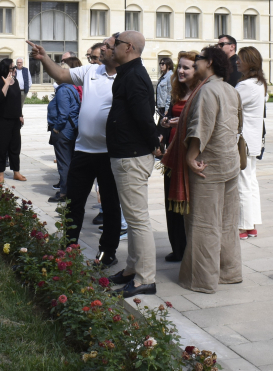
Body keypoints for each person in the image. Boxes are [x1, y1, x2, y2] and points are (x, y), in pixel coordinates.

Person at [28, 39, 123, 270]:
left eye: (98, 54)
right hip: (83, 149)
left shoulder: (124, 77)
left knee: (110, 206)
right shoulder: (91, 71)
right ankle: (68, 247)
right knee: (74, 202)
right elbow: (61, 75)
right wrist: (44, 58)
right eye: (93, 56)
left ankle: (107, 253)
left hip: (110, 153)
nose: (95, 58)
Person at [162, 43, 242, 293]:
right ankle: (229, 273)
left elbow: (201, 127)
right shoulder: (229, 89)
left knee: (203, 224)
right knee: (227, 222)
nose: (196, 61)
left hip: (207, 166)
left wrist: (190, 156)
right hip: (228, 163)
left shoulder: (207, 91)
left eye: (200, 58)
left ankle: (201, 279)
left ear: (209, 62)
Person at [103, 31, 160, 298]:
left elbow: (143, 117)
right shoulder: (129, 73)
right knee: (135, 216)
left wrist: (154, 144)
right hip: (125, 153)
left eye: (113, 45)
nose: (109, 49)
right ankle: (132, 269)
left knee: (137, 220)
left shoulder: (135, 76)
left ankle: (145, 278)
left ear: (127, 47)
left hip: (131, 155)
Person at [159, 50, 199, 262]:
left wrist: (182, 121)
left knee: (187, 204)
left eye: (186, 67)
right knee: (170, 201)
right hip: (172, 153)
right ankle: (177, 247)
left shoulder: (201, 92)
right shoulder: (177, 90)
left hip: (189, 152)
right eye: (180, 66)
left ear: (197, 70)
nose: (181, 71)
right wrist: (166, 123)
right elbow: (169, 115)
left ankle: (189, 248)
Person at [236, 46, 267, 241]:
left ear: (250, 62)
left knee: (243, 183)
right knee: (250, 182)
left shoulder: (246, 86)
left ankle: (243, 225)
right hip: (253, 140)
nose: (237, 62)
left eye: (240, 59)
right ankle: (252, 224)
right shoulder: (259, 83)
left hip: (243, 141)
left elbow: (229, 104)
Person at [46, 56, 82, 203]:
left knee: (64, 163)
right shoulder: (72, 88)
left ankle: (64, 193)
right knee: (69, 162)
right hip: (71, 129)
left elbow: (63, 113)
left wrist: (56, 129)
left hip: (63, 131)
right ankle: (70, 190)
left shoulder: (63, 90)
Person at [0, 58, 26, 184]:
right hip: (1, 120)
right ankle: (0, 174)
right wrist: (6, 83)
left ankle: (16, 172)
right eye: (12, 68)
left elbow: (17, 100)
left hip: (14, 119)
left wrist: (20, 115)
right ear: (6, 69)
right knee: (2, 147)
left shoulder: (15, 81)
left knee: (15, 146)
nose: (15, 70)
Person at [155, 57, 174, 148]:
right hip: (161, 108)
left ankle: (163, 153)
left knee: (162, 131)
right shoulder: (163, 77)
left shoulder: (170, 76)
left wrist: (167, 108)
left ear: (168, 65)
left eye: (163, 64)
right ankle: (163, 153)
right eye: (160, 64)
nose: (161, 66)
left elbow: (170, 93)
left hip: (166, 108)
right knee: (162, 131)